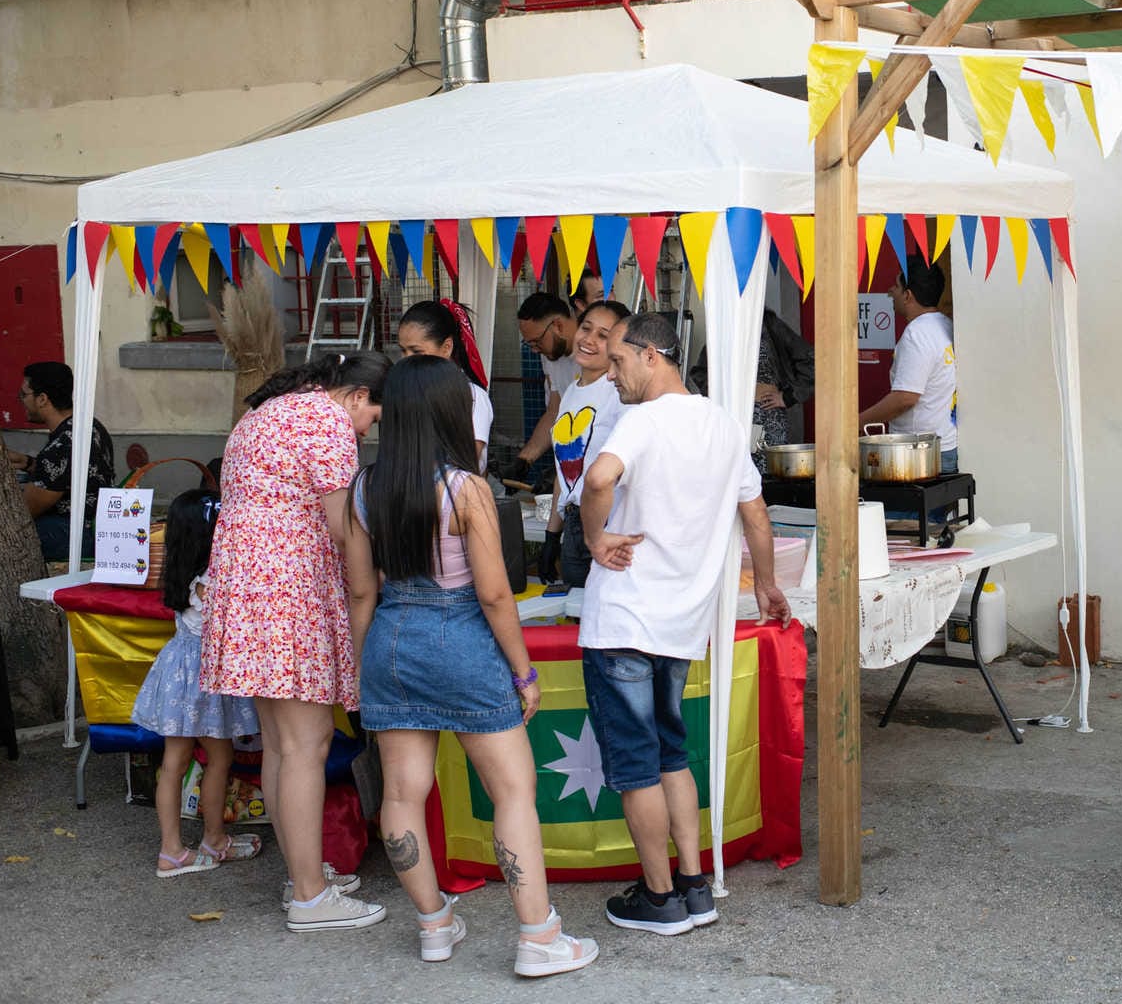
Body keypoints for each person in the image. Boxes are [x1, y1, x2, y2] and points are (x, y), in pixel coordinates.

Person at [343, 356, 598, 976]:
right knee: (513, 792)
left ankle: (434, 925)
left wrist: (362, 668)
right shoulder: (465, 487)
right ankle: (538, 936)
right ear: (449, 411)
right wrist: (523, 672)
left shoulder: (362, 487)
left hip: (391, 642)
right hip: (461, 639)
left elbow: (359, 593)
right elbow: (493, 595)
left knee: (401, 794)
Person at [579, 313, 790, 935]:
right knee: (672, 750)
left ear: (650, 355)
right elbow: (755, 515)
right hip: (679, 621)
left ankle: (659, 895)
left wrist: (595, 539)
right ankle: (693, 885)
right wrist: (770, 585)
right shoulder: (723, 423)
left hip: (624, 616)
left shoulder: (641, 420)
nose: (611, 374)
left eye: (618, 362)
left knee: (637, 763)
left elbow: (598, 478)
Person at [196, 351, 389, 933]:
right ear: (356, 395)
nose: (367, 429)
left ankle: (304, 875)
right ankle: (310, 894)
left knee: (282, 745)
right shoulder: (327, 422)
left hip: (249, 592)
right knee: (306, 742)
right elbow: (344, 527)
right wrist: (376, 579)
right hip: (290, 593)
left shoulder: (270, 412)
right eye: (373, 416)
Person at [130, 489, 263, 879]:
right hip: (205, 676)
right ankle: (208, 840)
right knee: (219, 758)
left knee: (173, 763)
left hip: (179, 673)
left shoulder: (179, 570)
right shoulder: (213, 578)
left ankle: (174, 848)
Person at [540, 300, 632, 592]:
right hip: (574, 526)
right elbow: (566, 471)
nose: (589, 340)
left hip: (609, 525)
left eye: (603, 336)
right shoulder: (571, 392)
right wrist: (552, 536)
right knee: (577, 623)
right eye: (586, 328)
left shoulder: (621, 393)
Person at [859, 259, 957, 474]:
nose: (889, 291)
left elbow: (906, 397)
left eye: (895, 286)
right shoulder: (945, 325)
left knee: (900, 508)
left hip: (918, 453)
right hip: (943, 445)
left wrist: (858, 421)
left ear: (908, 295)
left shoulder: (917, 334)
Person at [9, 361, 115, 560]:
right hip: (98, 528)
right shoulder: (90, 425)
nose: (21, 400)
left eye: (24, 395)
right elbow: (67, 475)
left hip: (73, 535)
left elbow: (24, 512)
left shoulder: (60, 448)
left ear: (42, 399)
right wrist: (28, 463)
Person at [690, 308, 816, 472]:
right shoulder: (724, 328)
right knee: (737, 474)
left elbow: (810, 360)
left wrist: (788, 396)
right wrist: (725, 396)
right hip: (734, 416)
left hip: (769, 415)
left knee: (772, 472)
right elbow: (700, 373)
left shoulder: (770, 325)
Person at [397, 299, 495, 470]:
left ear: (447, 347)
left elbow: (466, 463)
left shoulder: (472, 397)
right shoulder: (406, 393)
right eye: (403, 350)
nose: (407, 359)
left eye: (416, 351)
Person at [505, 293, 581, 486]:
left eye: (537, 341)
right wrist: (524, 460)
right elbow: (555, 411)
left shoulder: (591, 354)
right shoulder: (550, 354)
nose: (534, 350)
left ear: (558, 325)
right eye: (529, 343)